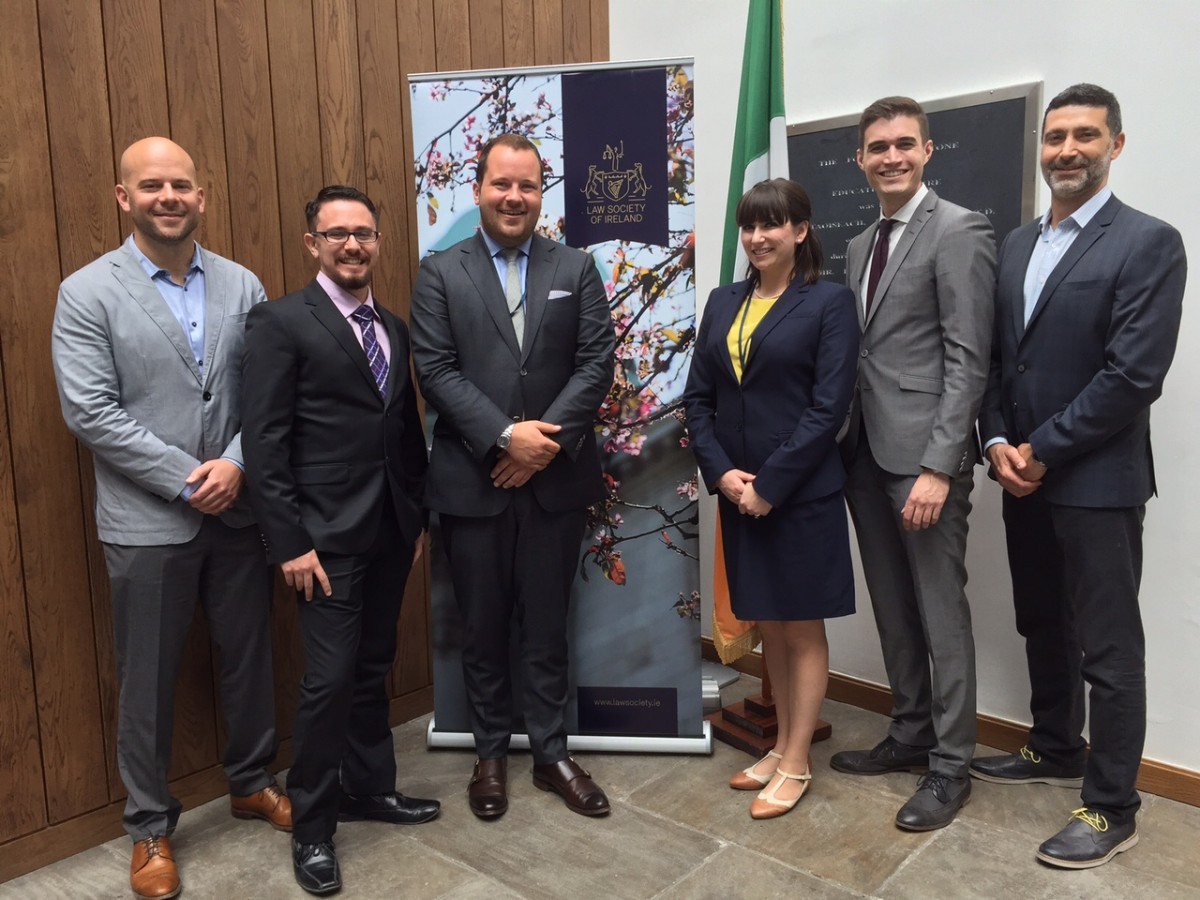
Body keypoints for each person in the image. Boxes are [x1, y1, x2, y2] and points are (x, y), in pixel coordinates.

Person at [51, 137, 289, 900]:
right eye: (151, 185)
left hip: (239, 509)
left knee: (251, 659)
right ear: (124, 197)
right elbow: (90, 410)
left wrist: (240, 464)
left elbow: (268, 395)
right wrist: (191, 478)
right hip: (148, 522)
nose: (168, 197)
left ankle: (252, 782)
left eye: (181, 184)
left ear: (202, 196)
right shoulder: (86, 292)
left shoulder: (243, 284)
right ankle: (149, 826)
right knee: (146, 681)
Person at [974, 83, 1186, 869]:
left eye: (1086, 136)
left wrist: (1043, 449)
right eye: (1056, 135)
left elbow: (1133, 376)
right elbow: (1000, 360)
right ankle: (1056, 744)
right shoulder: (1019, 247)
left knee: (1108, 648)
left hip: (1096, 483)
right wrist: (996, 438)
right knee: (1040, 621)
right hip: (1021, 475)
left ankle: (1110, 807)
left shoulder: (1149, 242)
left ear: (1116, 146)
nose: (1067, 149)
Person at [410, 133, 616, 820]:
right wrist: (505, 437)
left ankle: (552, 754)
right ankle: (491, 756)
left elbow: (595, 364)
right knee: (483, 626)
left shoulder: (576, 267)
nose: (514, 196)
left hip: (554, 485)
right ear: (478, 189)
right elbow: (434, 371)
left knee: (548, 626)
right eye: (502, 183)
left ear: (541, 193)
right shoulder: (440, 272)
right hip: (473, 486)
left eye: (527, 186)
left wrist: (541, 446)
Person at [241, 186, 436, 896]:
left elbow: (404, 427)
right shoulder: (280, 323)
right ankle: (316, 829)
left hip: (388, 531)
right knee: (327, 682)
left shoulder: (394, 325)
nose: (352, 245)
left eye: (363, 233)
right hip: (320, 541)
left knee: (371, 665)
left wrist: (413, 518)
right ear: (311, 243)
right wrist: (289, 542)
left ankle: (370, 789)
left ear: (378, 240)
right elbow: (264, 442)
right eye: (337, 234)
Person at [831, 97, 996, 831]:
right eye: (876, 147)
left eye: (903, 144)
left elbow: (968, 359)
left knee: (939, 612)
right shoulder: (861, 242)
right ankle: (909, 731)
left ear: (928, 150)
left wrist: (939, 464)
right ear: (861, 160)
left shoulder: (961, 229)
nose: (890, 157)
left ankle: (952, 767)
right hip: (864, 451)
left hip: (922, 459)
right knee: (893, 607)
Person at [683, 179, 858, 819]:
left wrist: (771, 486)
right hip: (738, 493)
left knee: (801, 629)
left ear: (801, 231)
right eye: (750, 227)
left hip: (800, 496)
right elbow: (699, 398)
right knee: (773, 633)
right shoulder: (723, 301)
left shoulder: (829, 302)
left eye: (773, 225)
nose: (759, 238)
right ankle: (781, 746)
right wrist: (725, 475)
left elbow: (828, 408)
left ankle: (798, 761)